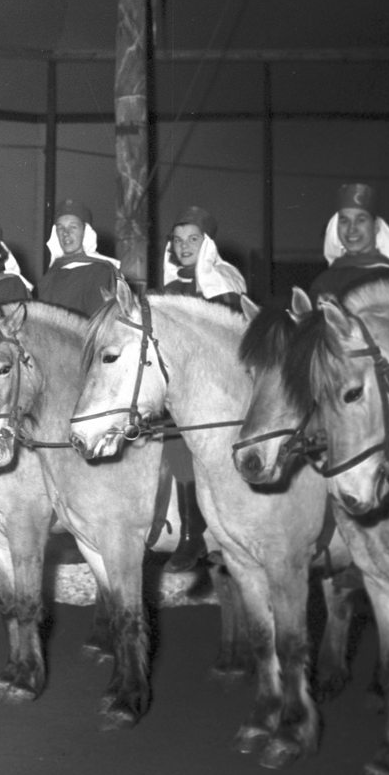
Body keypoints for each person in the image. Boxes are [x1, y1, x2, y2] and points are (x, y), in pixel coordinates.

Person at [161, 206, 249, 571]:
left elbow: (234, 339)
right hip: (181, 389)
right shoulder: (169, 289)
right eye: (178, 240)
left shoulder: (224, 281)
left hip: (219, 386)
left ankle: (234, 535)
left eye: (192, 240)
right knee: (177, 446)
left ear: (207, 243)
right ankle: (190, 535)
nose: (184, 247)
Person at [310, 182, 389, 301]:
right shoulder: (324, 280)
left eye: (361, 220)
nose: (351, 229)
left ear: (376, 226)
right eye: (344, 221)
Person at [38, 199, 119, 318]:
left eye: (73, 227)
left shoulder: (100, 271)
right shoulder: (50, 276)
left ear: (85, 232)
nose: (65, 233)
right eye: (60, 228)